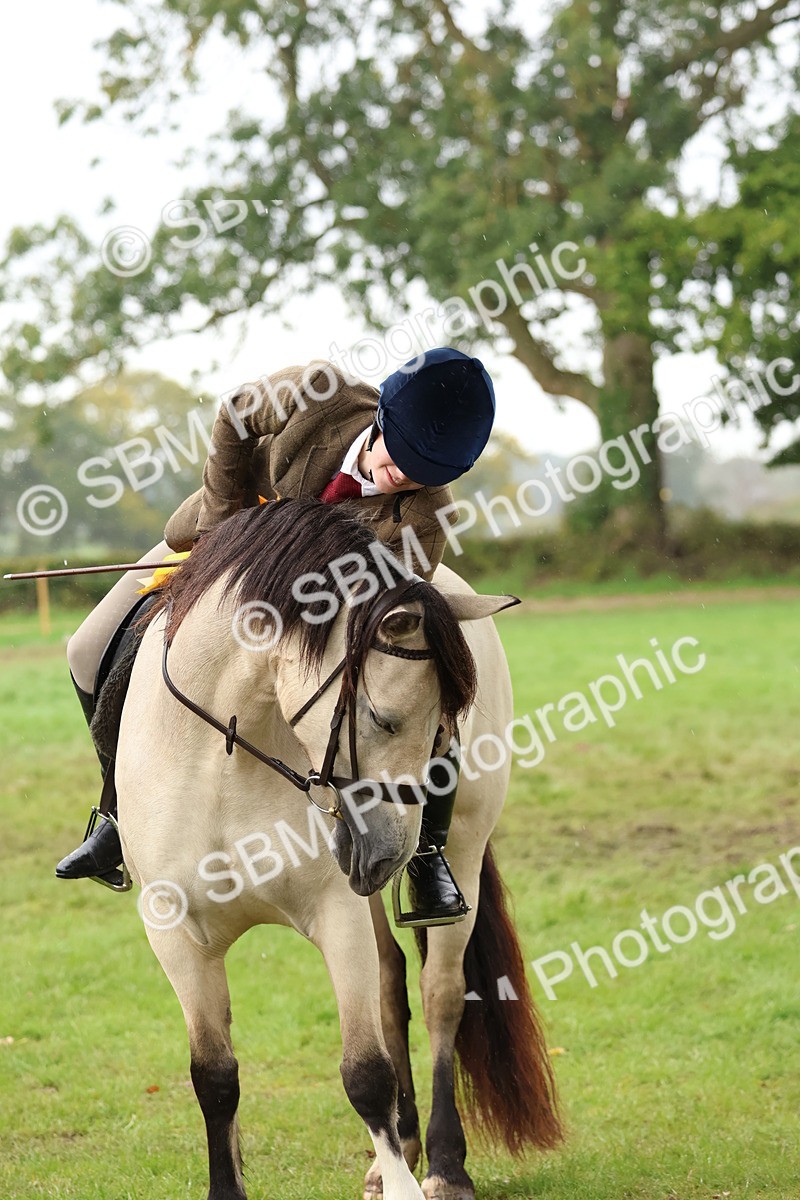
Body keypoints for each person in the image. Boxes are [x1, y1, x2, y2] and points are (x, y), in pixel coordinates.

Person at [56, 346, 496, 924]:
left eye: (427, 473)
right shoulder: (318, 395)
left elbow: (377, 607)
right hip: (223, 537)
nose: (406, 477)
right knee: (86, 649)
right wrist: (218, 534)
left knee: (418, 687)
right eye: (403, 457)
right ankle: (116, 815)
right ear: (382, 417)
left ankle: (427, 852)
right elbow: (236, 413)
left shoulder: (426, 517)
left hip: (312, 607)